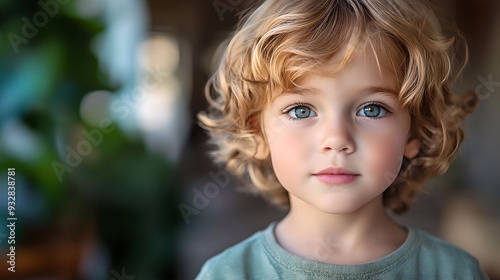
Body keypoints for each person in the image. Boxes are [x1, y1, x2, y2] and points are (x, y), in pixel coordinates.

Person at [196, 0, 488, 279]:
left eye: (371, 109)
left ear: (415, 132)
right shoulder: (228, 274)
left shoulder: (455, 272)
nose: (336, 139)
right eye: (301, 110)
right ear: (257, 132)